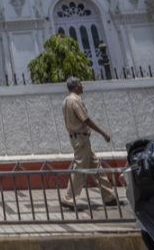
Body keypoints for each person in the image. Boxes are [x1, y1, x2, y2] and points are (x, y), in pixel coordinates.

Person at [60, 76, 121, 208]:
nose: (83, 87)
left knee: (96, 166)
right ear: (76, 86)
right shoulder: (74, 100)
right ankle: (69, 198)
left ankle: (108, 196)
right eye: (81, 84)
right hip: (81, 139)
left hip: (79, 139)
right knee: (80, 168)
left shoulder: (66, 100)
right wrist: (103, 132)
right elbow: (85, 120)